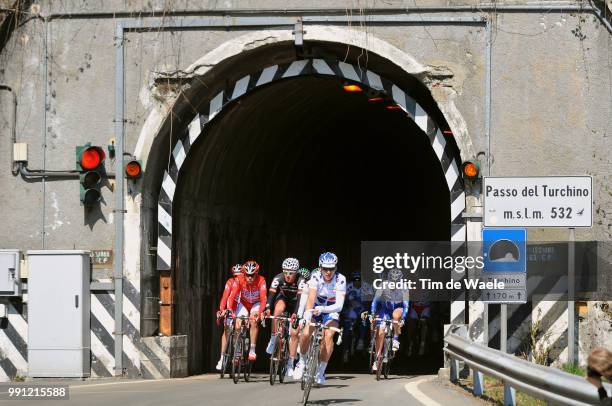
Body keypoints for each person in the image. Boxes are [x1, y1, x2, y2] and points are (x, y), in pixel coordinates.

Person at [293, 252, 346, 385]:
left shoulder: (341, 279)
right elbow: (310, 299)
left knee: (328, 336)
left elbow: (339, 306)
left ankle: (321, 371)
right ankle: (302, 362)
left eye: (332, 268)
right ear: (320, 267)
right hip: (315, 308)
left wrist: (323, 309)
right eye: (325, 268)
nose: (328, 272)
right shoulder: (315, 276)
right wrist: (306, 316)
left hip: (330, 310)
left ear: (336, 268)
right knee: (305, 333)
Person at [264, 257, 304, 377]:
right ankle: (273, 339)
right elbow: (271, 294)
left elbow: (301, 299)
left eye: (291, 273)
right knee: (278, 310)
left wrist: (296, 313)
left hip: (296, 302)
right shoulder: (278, 278)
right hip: (284, 299)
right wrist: (267, 308)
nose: (287, 275)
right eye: (285, 272)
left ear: (296, 272)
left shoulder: (301, 280)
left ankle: (290, 364)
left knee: (294, 333)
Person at [369, 268, 409, 371]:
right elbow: (375, 301)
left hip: (398, 308)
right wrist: (373, 313)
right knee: (380, 332)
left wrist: (403, 318)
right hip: (385, 309)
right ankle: (377, 359)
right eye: (392, 282)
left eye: (396, 282)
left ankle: (395, 339)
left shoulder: (404, 288)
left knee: (396, 316)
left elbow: (406, 305)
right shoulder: (383, 285)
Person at [227, 260, 267, 361]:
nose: (249, 277)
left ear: (256, 274)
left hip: (256, 304)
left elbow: (263, 299)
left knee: (253, 321)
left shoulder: (261, 280)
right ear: (244, 274)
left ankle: (252, 350)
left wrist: (261, 312)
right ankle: (238, 351)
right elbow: (232, 296)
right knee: (237, 324)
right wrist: (229, 310)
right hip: (244, 303)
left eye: (252, 275)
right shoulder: (239, 279)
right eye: (247, 275)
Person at [215, 264, 242, 371]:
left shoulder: (245, 283)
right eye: (235, 276)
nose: (237, 278)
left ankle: (239, 347)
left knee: (238, 327)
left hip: (241, 307)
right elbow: (225, 297)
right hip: (231, 307)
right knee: (226, 328)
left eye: (239, 275)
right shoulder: (230, 282)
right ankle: (222, 358)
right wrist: (222, 310)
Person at [341, 271, 367, 362]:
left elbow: (369, 301)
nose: (357, 281)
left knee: (365, 318)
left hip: (362, 308)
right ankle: (345, 349)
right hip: (350, 308)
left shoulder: (365, 287)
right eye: (355, 279)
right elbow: (343, 300)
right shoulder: (348, 286)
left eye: (359, 279)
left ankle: (361, 339)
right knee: (346, 329)